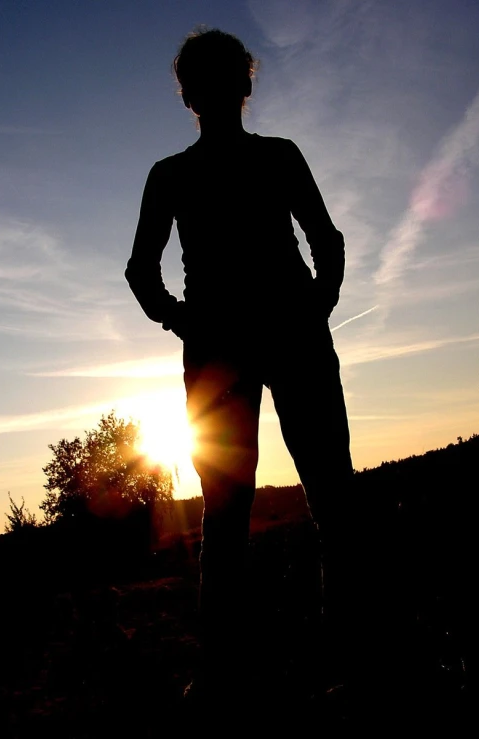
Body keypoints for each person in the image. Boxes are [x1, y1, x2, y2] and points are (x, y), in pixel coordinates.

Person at [125, 27, 353, 706]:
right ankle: (231, 673)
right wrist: (185, 318)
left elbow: (326, 240)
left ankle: (336, 657)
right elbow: (142, 271)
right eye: (208, 78)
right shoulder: (172, 176)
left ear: (240, 85)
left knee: (326, 500)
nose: (219, 90)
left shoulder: (271, 159)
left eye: (225, 76)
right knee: (235, 514)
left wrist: (316, 303)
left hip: (281, 339)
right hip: (231, 350)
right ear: (193, 92)